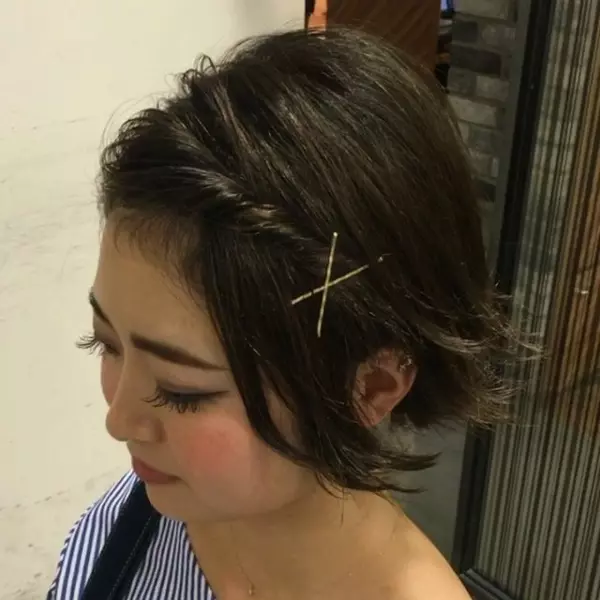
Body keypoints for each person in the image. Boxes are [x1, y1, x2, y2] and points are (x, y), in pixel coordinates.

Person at [47, 27, 516, 600]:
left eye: (181, 391)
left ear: (371, 385)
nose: (119, 421)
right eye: (106, 343)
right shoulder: (136, 518)